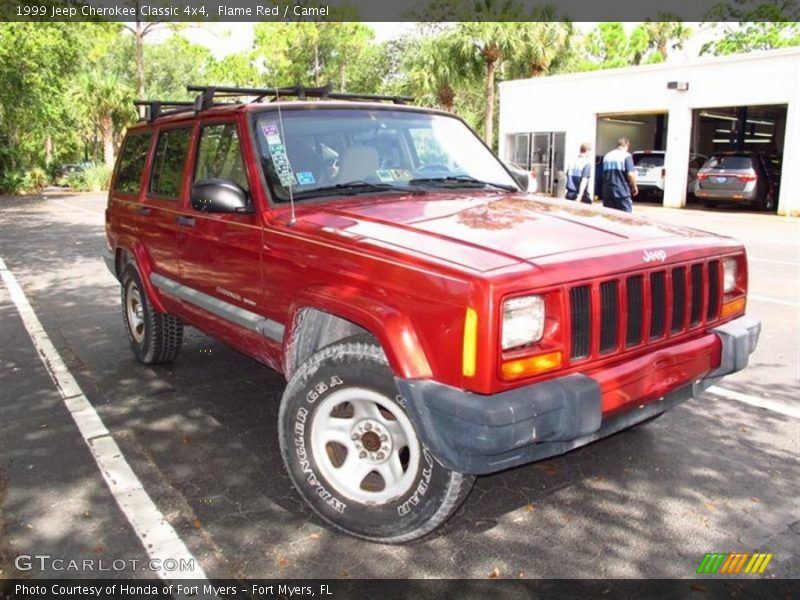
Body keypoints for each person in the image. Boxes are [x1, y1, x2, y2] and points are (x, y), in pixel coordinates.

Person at [602, 138, 638, 212]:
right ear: (626, 145)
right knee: (625, 218)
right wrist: (634, 186)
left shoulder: (607, 156)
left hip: (607, 192)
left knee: (609, 217)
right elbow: (630, 174)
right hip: (622, 192)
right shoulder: (626, 156)